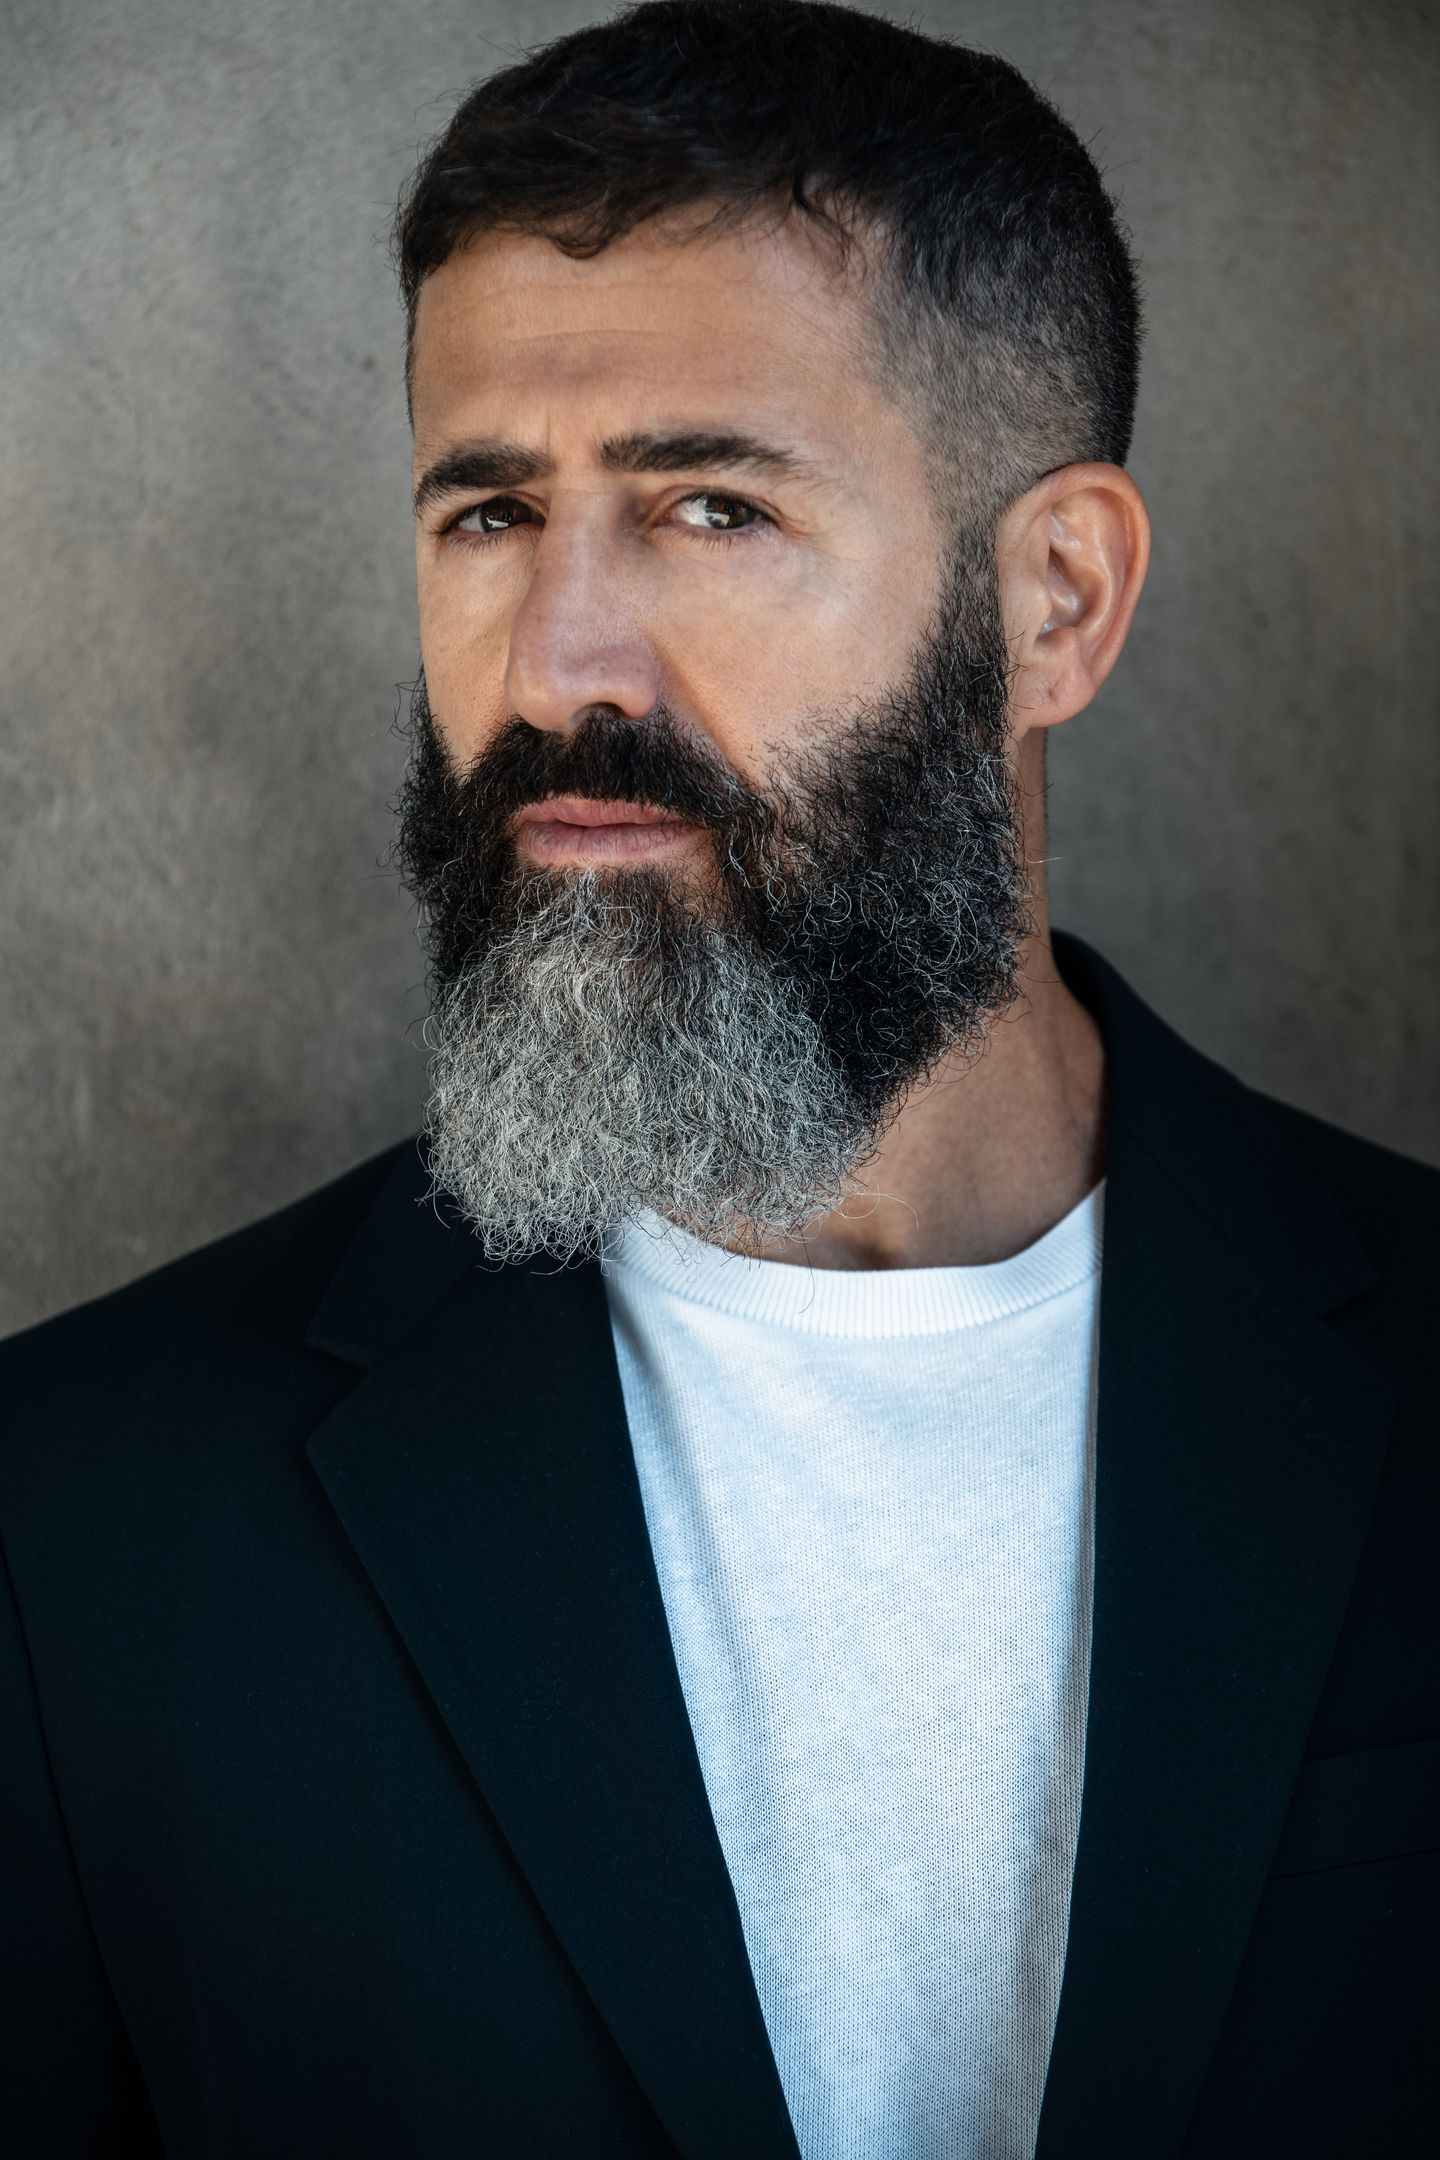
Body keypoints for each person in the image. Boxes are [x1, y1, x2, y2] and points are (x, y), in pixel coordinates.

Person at [2, 3, 1433, 2154]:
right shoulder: (79, 1517)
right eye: (490, 512)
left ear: (1056, 601)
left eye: (708, 505)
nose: (554, 665)